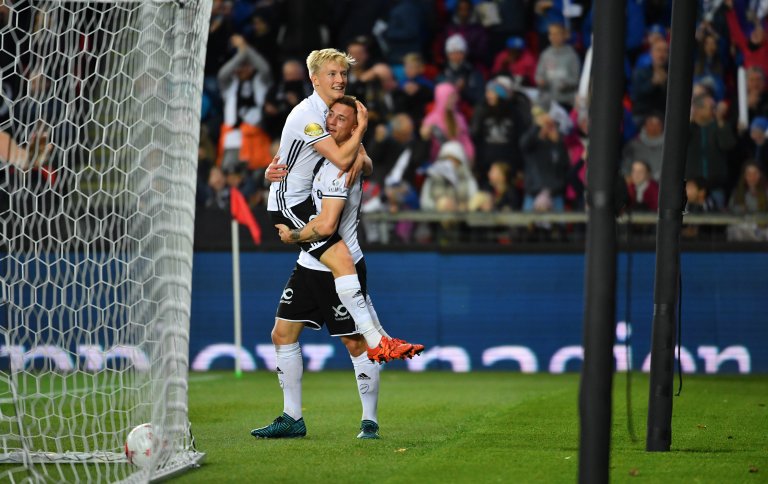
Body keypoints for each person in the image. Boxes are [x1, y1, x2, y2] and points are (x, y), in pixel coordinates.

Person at [252, 96, 424, 440]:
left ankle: (369, 420)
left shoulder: (342, 167)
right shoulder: (332, 155)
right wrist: (270, 173)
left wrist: (293, 235)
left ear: (356, 127)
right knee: (282, 334)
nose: (331, 122)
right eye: (331, 115)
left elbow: (327, 225)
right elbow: (298, 170)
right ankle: (292, 417)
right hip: (310, 262)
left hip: (337, 263)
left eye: (342, 119)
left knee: (355, 344)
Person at [264, 48, 417, 365]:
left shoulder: (330, 113)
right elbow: (341, 157)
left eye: (343, 74)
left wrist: (359, 153)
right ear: (314, 79)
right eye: (332, 74)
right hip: (289, 201)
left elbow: (365, 164)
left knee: (286, 332)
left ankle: (379, 342)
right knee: (341, 255)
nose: (340, 79)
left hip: (305, 199)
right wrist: (361, 129)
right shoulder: (309, 116)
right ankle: (379, 341)